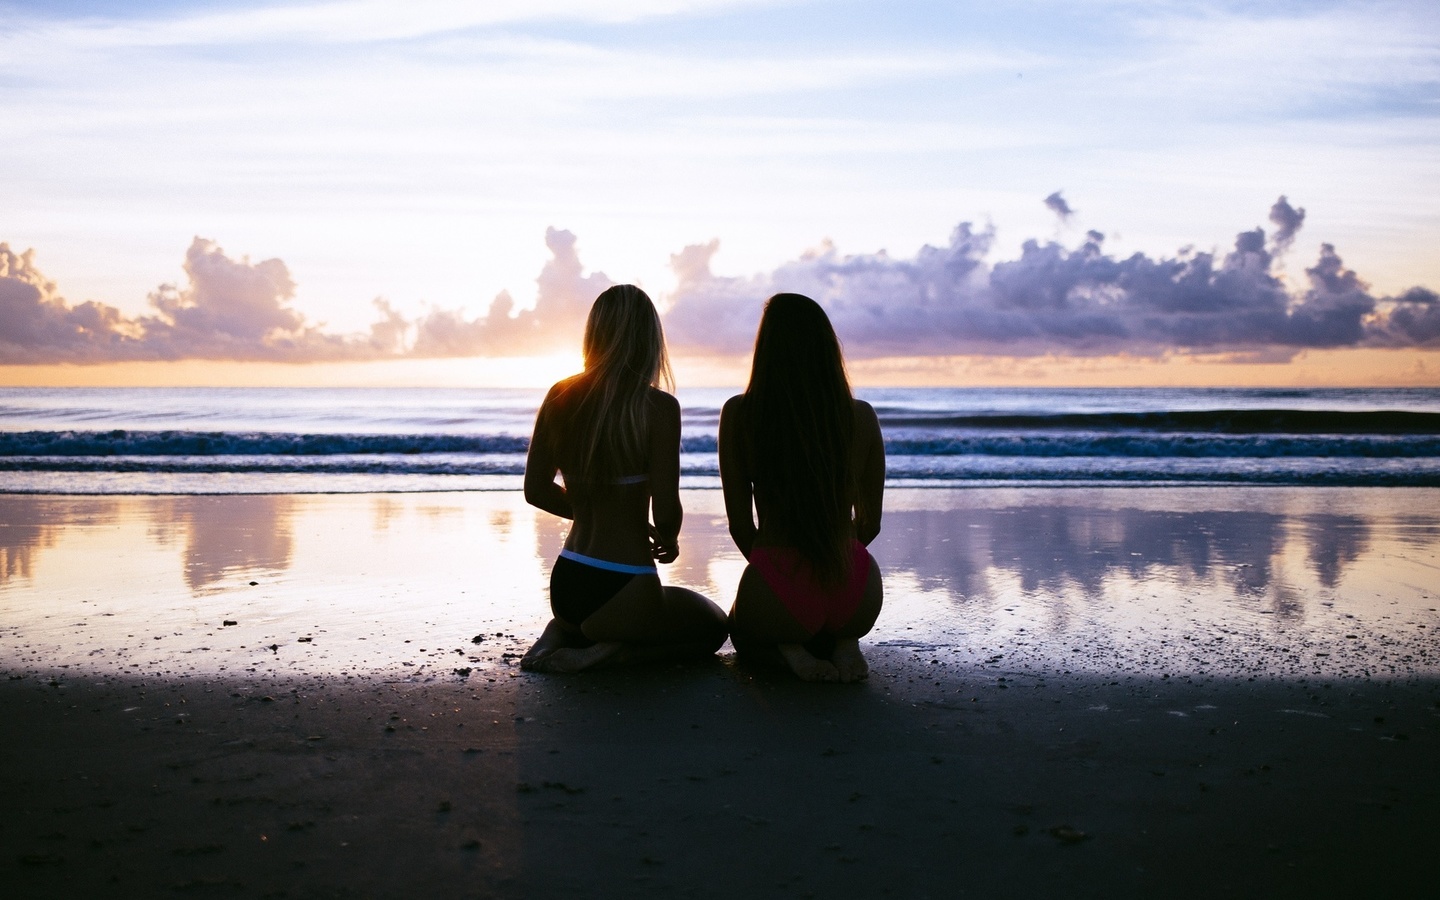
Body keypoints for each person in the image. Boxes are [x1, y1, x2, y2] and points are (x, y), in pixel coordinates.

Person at [520, 284, 729, 672]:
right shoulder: (659, 407)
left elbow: (535, 490)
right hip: (625, 581)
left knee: (592, 619)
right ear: (648, 339)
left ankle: (562, 634)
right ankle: (608, 652)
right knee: (713, 628)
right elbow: (666, 510)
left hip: (567, 581)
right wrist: (666, 536)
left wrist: (587, 510)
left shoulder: (560, 394)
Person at [719, 293, 885, 683]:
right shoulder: (859, 416)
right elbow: (871, 523)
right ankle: (845, 643)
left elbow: (741, 527)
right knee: (831, 622)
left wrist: (775, 578)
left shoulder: (741, 414)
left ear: (766, 349)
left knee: (740, 630)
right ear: (828, 349)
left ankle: (792, 652)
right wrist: (830, 558)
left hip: (779, 576)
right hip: (856, 586)